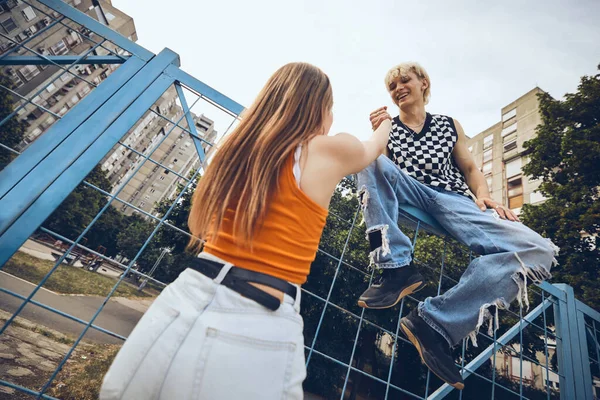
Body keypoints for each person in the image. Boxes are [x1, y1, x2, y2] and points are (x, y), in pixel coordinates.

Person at [99, 62, 393, 400]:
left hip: (180, 300)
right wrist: (384, 123)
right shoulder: (326, 149)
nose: (331, 120)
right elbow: (372, 150)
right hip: (256, 314)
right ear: (318, 109)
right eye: (331, 110)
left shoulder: (236, 151)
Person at [356, 62, 558, 389]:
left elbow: (470, 167)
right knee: (364, 155)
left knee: (540, 251)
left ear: (423, 83)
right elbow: (377, 165)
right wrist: (379, 132)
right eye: (392, 86)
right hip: (411, 190)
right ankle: (395, 268)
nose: (398, 89)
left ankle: (434, 324)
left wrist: (485, 197)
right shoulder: (389, 127)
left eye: (404, 80)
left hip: (454, 199)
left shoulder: (449, 125)